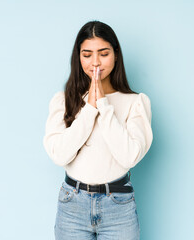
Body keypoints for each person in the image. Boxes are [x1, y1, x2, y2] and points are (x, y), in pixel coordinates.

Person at [42, 20, 153, 240]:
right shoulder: (63, 100)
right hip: (72, 205)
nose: (95, 62)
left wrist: (103, 104)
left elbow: (129, 156)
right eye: (87, 54)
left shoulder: (136, 102)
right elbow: (59, 154)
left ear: (116, 54)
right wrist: (89, 108)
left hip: (118, 205)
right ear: (78, 56)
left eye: (103, 53)